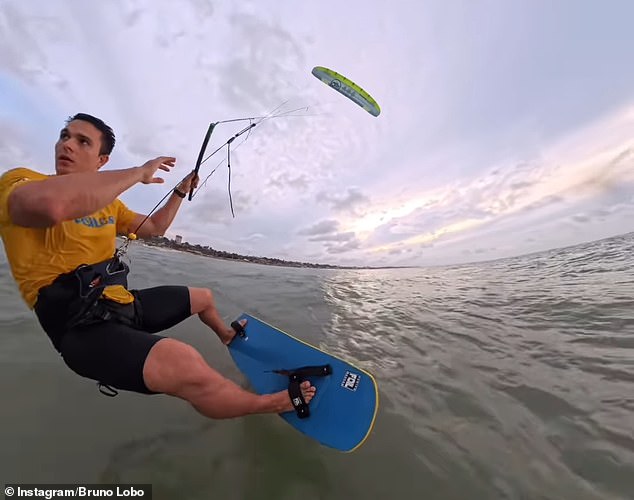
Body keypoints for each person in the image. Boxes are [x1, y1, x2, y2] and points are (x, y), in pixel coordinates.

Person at [0, 112, 315, 419]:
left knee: (203, 298)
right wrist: (139, 172)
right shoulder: (21, 181)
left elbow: (155, 228)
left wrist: (178, 191)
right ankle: (272, 405)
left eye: (82, 141)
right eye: (64, 136)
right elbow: (51, 206)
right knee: (184, 362)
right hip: (80, 329)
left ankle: (226, 336)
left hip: (120, 304)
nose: (66, 145)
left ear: (101, 161)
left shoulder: (110, 205)